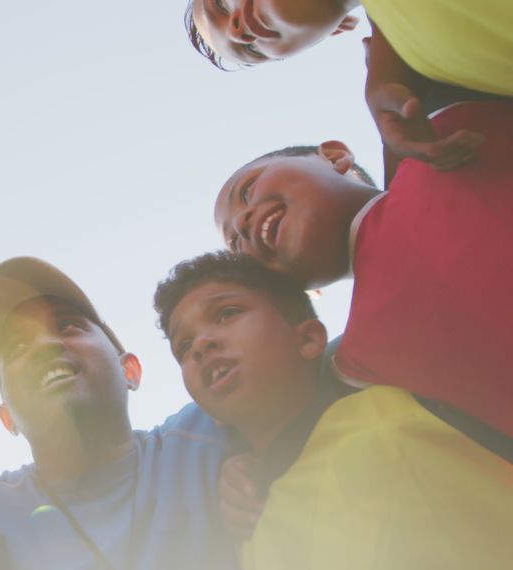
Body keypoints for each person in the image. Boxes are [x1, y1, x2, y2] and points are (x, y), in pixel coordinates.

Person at [153, 251, 513, 569]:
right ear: (210, 413)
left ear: (308, 339)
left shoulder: (410, 402)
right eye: (183, 347)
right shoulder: (249, 535)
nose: (201, 344)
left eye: (227, 313)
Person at [212, 99, 513, 442]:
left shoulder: (443, 135)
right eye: (236, 244)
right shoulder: (356, 369)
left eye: (248, 190)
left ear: (334, 156)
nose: (241, 221)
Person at [0, 256, 235, 570]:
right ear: (8, 419)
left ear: (129, 370)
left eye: (67, 326)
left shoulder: (211, 431)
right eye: (17, 347)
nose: (44, 344)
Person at [183, 0, 510, 172]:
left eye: (221, 6)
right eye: (250, 50)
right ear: (339, 29)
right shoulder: (428, 62)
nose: (239, 30)